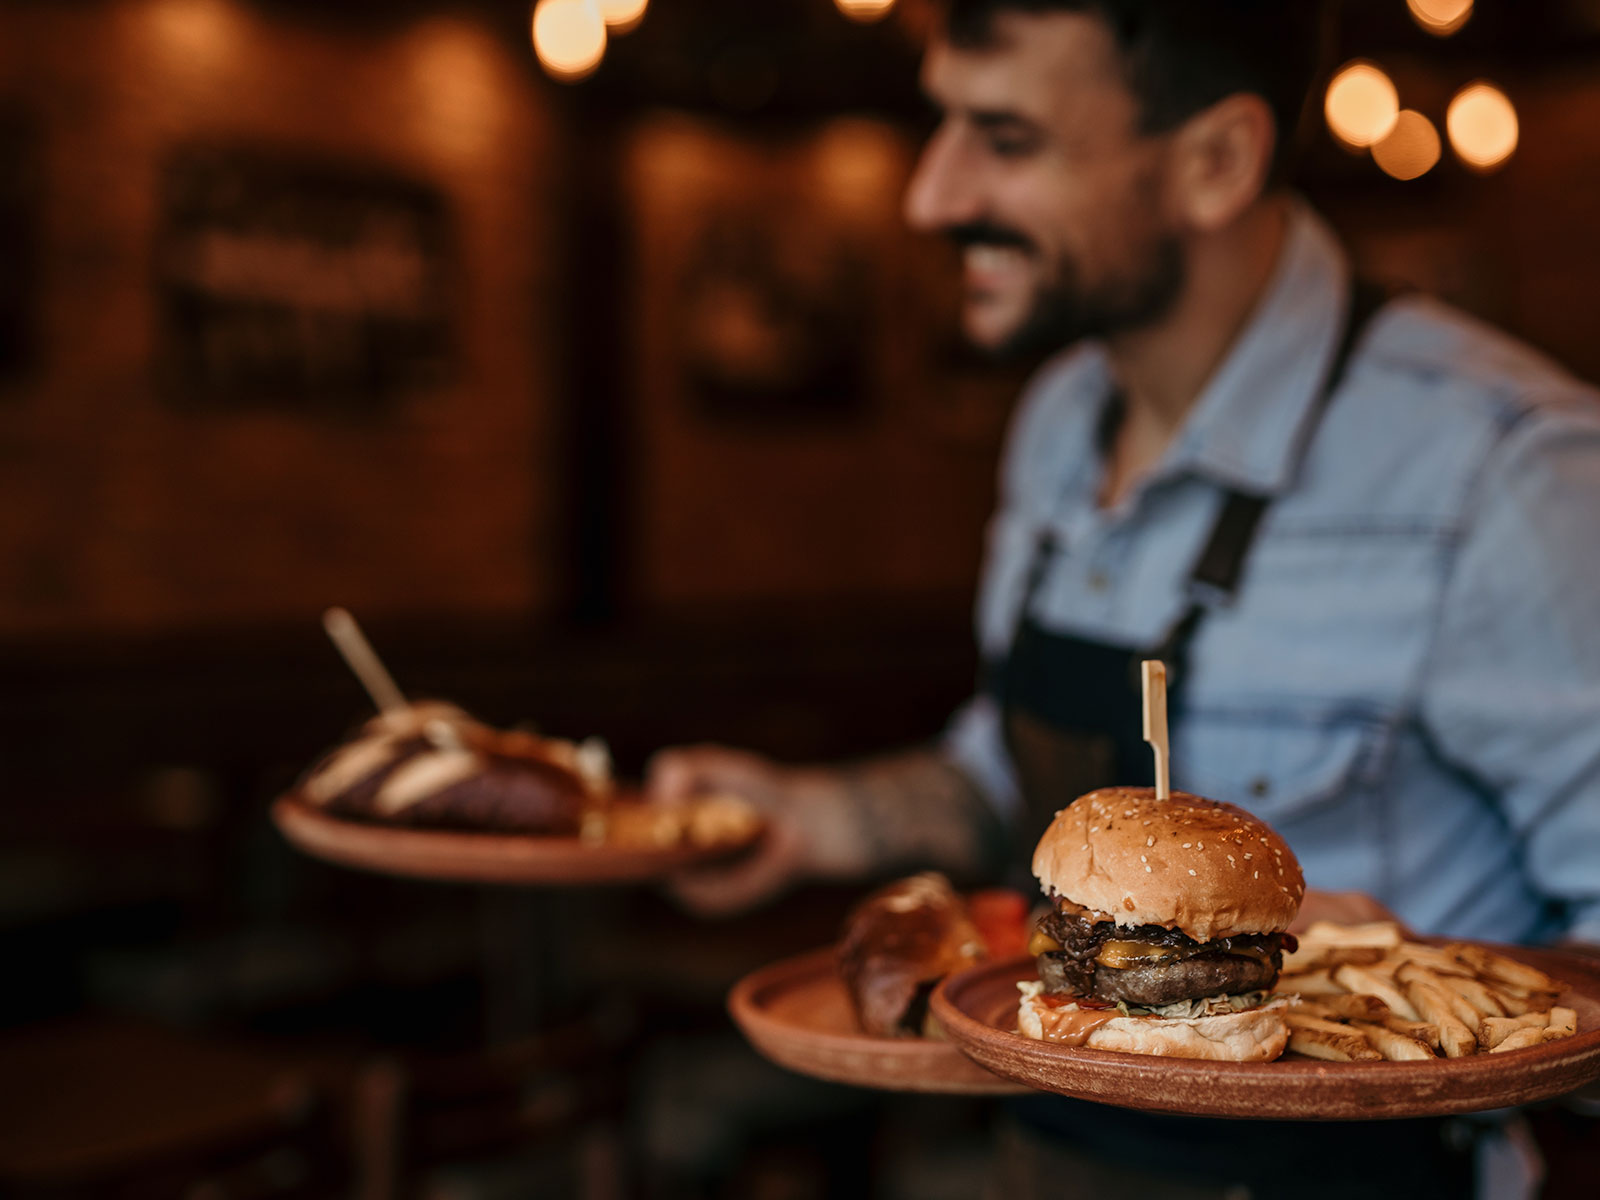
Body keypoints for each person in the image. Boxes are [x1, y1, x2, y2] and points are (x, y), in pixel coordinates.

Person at [651, 2, 1600, 1193]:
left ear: (1213, 161)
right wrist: (810, 815)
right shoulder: (1056, 421)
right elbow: (1012, 781)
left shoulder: (1506, 467)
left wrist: (1403, 976)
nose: (929, 196)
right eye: (940, 122)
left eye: (1004, 138)